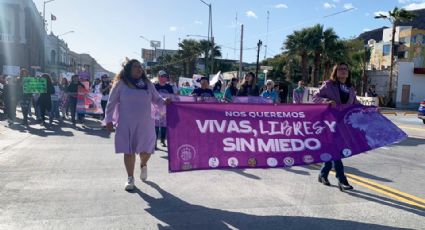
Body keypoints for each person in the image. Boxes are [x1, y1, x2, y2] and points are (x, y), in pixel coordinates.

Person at [105, 59, 169, 191]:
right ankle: (130, 178)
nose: (139, 69)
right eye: (135, 67)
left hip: (145, 123)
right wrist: (108, 120)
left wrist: (165, 102)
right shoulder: (121, 84)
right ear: (128, 69)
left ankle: (143, 164)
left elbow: (157, 99)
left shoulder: (147, 84)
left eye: (140, 67)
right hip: (126, 123)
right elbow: (111, 103)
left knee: (147, 150)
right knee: (129, 151)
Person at [313, 62, 358, 191]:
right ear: (335, 72)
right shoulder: (328, 85)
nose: (343, 71)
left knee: (332, 151)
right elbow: (315, 98)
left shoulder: (350, 89)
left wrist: (371, 109)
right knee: (336, 151)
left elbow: (357, 105)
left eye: (345, 69)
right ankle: (342, 180)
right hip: (328, 124)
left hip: (343, 125)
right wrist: (327, 102)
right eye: (340, 69)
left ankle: (322, 175)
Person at [154, 70, 175, 148]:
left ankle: (162, 140)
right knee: (155, 126)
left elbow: (173, 97)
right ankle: (154, 142)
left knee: (164, 126)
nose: (164, 78)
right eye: (162, 76)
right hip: (155, 110)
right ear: (158, 77)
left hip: (166, 110)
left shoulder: (169, 87)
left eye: (165, 76)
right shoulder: (154, 86)